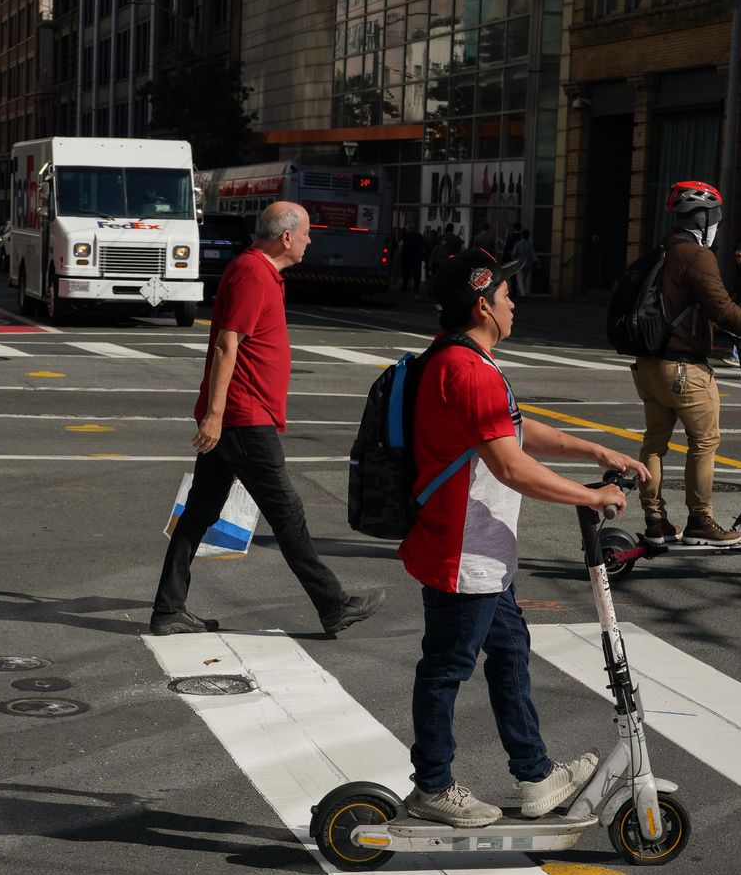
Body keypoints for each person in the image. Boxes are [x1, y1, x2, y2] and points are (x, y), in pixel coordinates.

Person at [402, 248, 648, 827]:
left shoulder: (468, 362)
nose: (515, 304)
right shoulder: (464, 370)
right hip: (462, 552)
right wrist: (590, 496)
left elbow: (514, 426)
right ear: (483, 304)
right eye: (508, 295)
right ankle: (432, 785)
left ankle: (536, 776)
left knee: (510, 653)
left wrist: (594, 449)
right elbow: (510, 466)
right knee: (445, 668)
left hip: (483, 550)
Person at [151, 201, 385, 637]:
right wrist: (216, 416)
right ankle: (333, 605)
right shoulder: (254, 273)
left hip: (240, 416)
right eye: (307, 233)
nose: (311, 240)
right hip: (243, 417)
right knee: (287, 513)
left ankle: (168, 609)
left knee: (200, 513)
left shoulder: (260, 272)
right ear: (286, 237)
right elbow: (226, 345)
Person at [629, 181, 741, 546]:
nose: (717, 227)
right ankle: (700, 520)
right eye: (716, 219)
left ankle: (655, 521)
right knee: (704, 442)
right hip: (683, 369)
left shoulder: (663, 249)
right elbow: (722, 307)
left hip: (649, 366)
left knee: (654, 444)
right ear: (705, 217)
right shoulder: (696, 255)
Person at [399, 224, 427, 294]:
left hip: (406, 257)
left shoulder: (405, 236)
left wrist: (400, 255)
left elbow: (401, 245)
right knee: (416, 274)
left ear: (408, 229)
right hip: (417, 258)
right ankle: (416, 289)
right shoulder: (419, 236)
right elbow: (423, 246)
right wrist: (423, 256)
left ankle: (404, 286)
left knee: (406, 273)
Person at [509, 228, 536, 298]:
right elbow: (533, 255)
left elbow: (514, 254)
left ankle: (522, 294)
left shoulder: (518, 244)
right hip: (528, 264)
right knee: (524, 279)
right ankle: (523, 293)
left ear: (522, 236)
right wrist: (535, 261)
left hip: (520, 264)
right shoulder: (530, 244)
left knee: (520, 280)